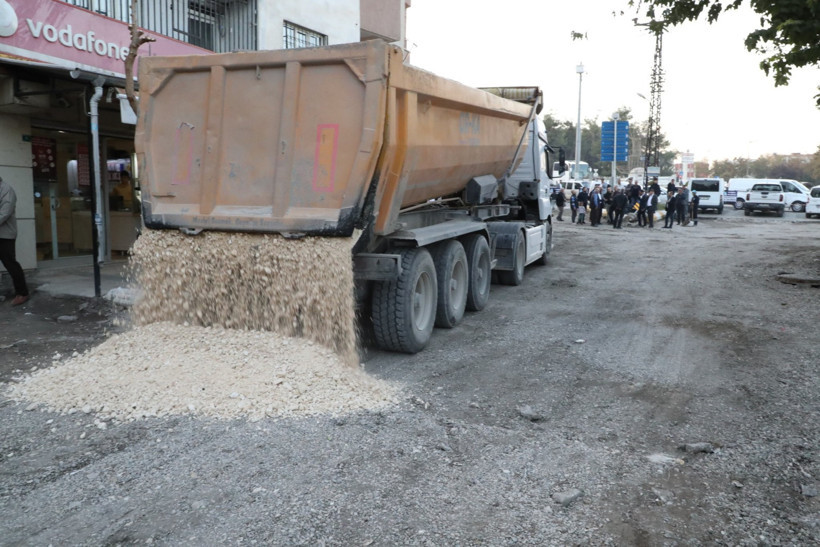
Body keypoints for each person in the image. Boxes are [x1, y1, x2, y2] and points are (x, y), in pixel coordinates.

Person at [0, 175, 30, 306]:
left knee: (10, 263)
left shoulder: (6, 190)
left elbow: (5, 213)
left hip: (5, 234)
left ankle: (22, 293)